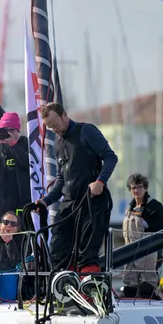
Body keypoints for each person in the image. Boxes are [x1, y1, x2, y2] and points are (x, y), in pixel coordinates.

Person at [37, 102, 118, 274]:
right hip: (69, 202)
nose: (55, 130)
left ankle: (89, 288)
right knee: (58, 247)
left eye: (56, 125)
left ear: (64, 115)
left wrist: (100, 181)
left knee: (86, 251)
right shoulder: (57, 144)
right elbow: (61, 179)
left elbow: (111, 157)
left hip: (92, 201)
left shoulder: (86, 131)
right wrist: (47, 200)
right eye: (50, 128)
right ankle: (61, 289)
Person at [121, 173, 163, 298]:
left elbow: (162, 230)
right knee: (129, 288)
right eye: (133, 188)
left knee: (147, 287)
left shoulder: (154, 206)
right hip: (131, 253)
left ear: (145, 188)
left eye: (139, 187)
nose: (136, 190)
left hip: (149, 252)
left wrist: (147, 225)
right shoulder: (129, 209)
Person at [0, 112, 31, 235]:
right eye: (4, 130)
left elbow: (29, 164)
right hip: (0, 201)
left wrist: (14, 145)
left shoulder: (25, 143)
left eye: (11, 130)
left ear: (18, 131)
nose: (7, 134)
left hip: (20, 201)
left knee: (20, 236)